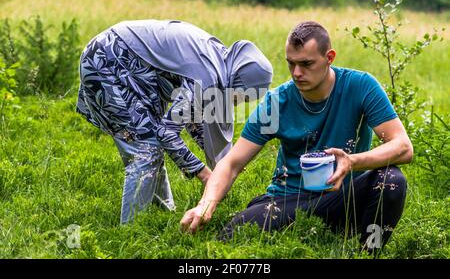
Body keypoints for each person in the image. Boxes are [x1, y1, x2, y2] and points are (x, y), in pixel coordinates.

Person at [180, 21, 413, 254]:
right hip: (289, 201)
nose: (297, 73)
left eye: (306, 64)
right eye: (291, 64)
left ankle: (368, 253)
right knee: (232, 235)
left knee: (392, 180)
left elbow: (403, 147)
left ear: (329, 57)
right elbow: (231, 163)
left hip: (343, 199)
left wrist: (352, 162)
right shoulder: (277, 102)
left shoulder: (360, 86)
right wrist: (205, 205)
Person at [76, 19, 273, 224]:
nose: (238, 103)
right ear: (239, 81)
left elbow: (190, 116)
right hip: (108, 62)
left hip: (126, 64)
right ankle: (132, 228)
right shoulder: (206, 78)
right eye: (241, 97)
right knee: (146, 148)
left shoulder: (219, 61)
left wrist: (225, 163)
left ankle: (161, 213)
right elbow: (166, 132)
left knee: (149, 141)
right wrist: (204, 174)